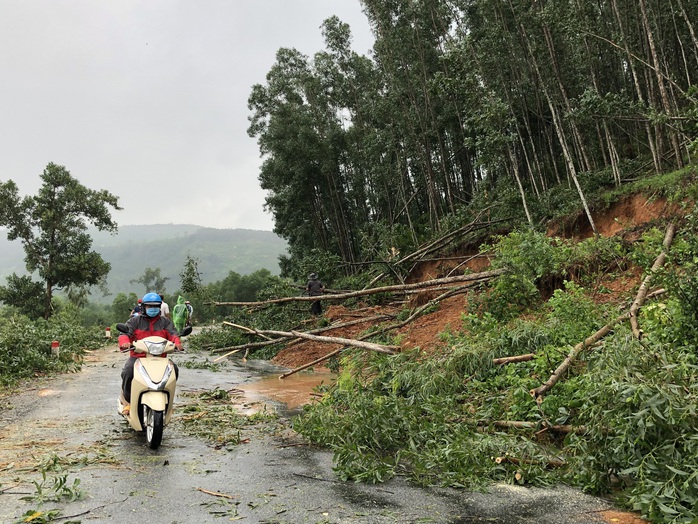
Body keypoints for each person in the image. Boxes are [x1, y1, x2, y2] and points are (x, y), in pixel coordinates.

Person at [119, 292, 182, 407]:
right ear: (143, 307)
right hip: (138, 358)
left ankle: (167, 399)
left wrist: (177, 343)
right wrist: (125, 342)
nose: (153, 309)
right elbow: (125, 333)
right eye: (150, 306)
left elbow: (173, 334)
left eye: (156, 306)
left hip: (160, 358)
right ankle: (128, 400)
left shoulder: (165, 322)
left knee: (174, 370)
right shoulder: (135, 321)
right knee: (128, 371)